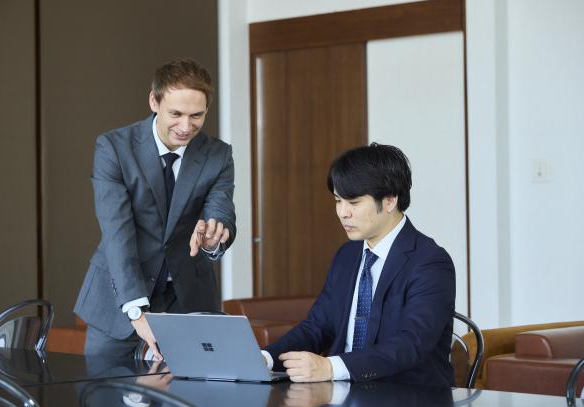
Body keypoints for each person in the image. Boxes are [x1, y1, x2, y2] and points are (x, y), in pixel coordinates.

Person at [74, 59, 236, 359]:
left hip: (187, 302)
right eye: (176, 114)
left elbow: (221, 209)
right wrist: (136, 310)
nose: (186, 127)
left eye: (196, 115)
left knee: (188, 388)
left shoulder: (219, 155)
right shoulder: (114, 148)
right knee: (103, 386)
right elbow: (117, 232)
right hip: (119, 300)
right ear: (154, 101)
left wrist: (214, 236)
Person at [261, 143, 455, 386]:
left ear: (389, 200)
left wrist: (331, 367)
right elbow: (318, 327)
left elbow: (412, 344)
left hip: (407, 394)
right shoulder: (347, 255)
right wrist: (265, 359)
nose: (342, 213)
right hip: (343, 392)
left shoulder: (429, 262)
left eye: (353, 203)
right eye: (338, 201)